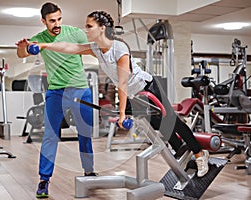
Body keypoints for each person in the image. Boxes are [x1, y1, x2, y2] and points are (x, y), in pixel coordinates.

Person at [34, 10, 210, 178]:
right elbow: (69, 47)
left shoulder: (119, 48)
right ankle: (181, 151)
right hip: (135, 95)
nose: (85, 30)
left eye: (89, 26)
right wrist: (43, 45)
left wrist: (122, 112)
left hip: (147, 87)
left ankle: (200, 154)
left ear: (102, 28)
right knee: (158, 124)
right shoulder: (96, 48)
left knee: (171, 121)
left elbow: (123, 83)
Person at [15, 2, 97, 198]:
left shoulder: (74, 33)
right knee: (50, 136)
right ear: (44, 21)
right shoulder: (39, 39)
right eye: (52, 21)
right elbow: (22, 53)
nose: (57, 23)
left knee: (85, 134)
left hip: (80, 90)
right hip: (56, 92)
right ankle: (44, 180)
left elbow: (93, 49)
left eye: (59, 19)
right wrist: (21, 48)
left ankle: (89, 172)